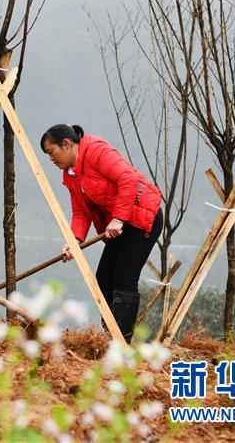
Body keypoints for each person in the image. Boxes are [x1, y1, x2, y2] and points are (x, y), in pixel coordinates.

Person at [40, 124, 163, 343]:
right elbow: (80, 212)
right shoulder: (70, 175)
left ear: (66, 144)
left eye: (51, 152)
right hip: (118, 225)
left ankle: (121, 343)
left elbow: (128, 179)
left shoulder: (97, 150)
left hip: (142, 215)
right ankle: (108, 336)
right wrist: (74, 241)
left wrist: (118, 218)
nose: (51, 159)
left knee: (124, 278)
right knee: (104, 277)